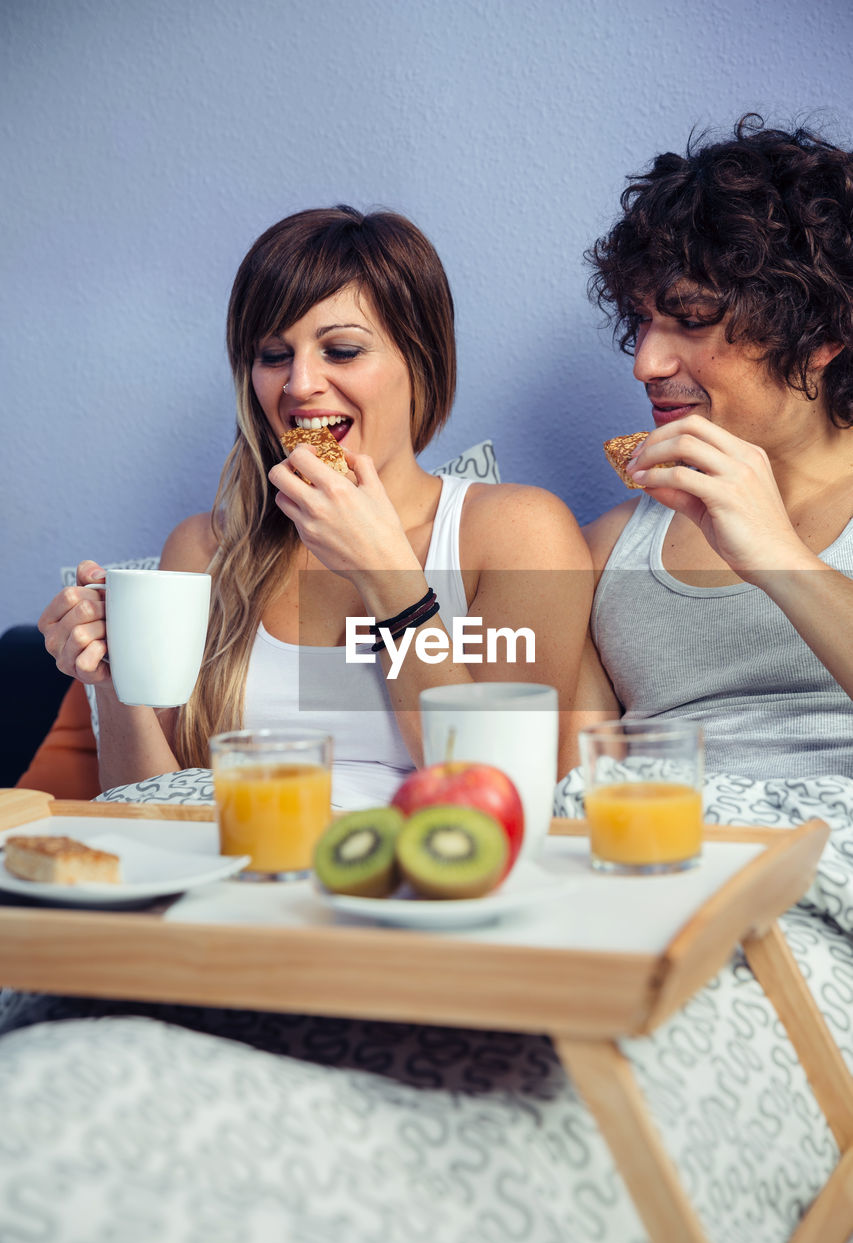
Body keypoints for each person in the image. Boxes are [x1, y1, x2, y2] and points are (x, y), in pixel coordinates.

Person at [39, 205, 592, 804]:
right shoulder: (203, 549)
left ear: (422, 361)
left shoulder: (516, 532)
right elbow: (144, 806)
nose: (299, 384)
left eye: (343, 350)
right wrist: (112, 676)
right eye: (274, 356)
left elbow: (494, 792)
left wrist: (386, 575)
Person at [572, 114, 853, 778]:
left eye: (691, 321)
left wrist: (776, 556)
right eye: (641, 319)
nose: (644, 363)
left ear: (818, 337)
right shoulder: (603, 551)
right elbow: (579, 789)